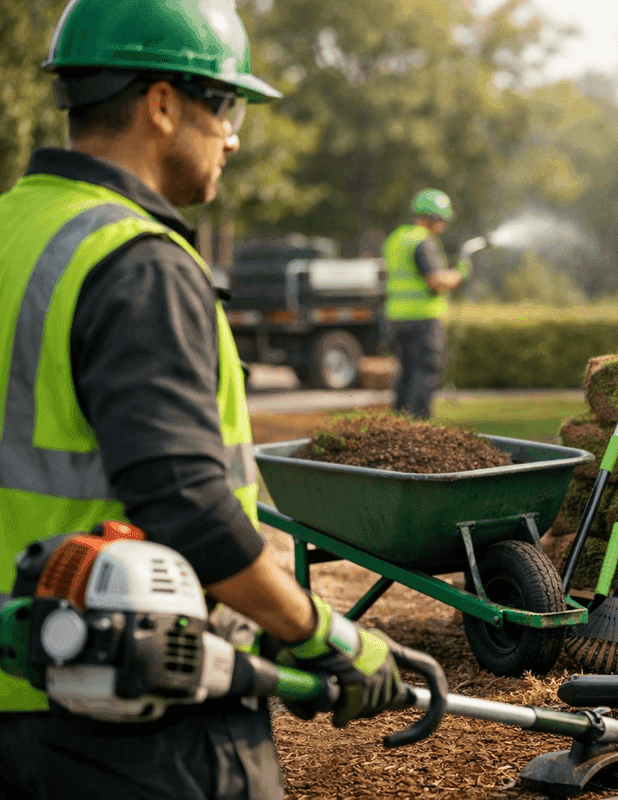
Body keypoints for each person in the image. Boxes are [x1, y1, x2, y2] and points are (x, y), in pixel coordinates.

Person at [0, 2, 410, 798]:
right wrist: (322, 634)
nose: (230, 136)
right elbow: (184, 499)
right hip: (126, 714)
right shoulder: (133, 261)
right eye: (226, 107)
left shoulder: (15, 229)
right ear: (160, 103)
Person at [383, 189, 474, 419]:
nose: (443, 226)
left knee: (405, 373)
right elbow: (434, 280)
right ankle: (421, 428)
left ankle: (398, 426)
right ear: (433, 217)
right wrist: (459, 274)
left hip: (396, 317)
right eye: (443, 220)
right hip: (422, 319)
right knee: (425, 373)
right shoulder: (422, 241)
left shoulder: (395, 238)